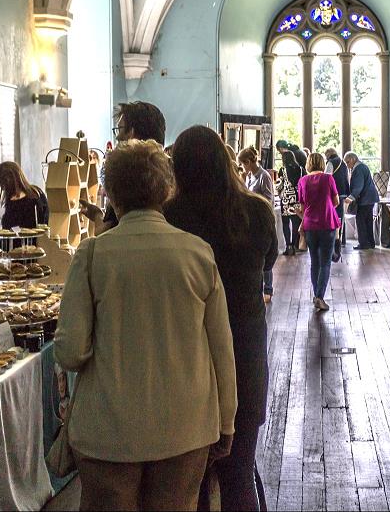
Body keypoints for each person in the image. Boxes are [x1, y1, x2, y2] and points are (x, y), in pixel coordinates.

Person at [55, 139, 237, 511]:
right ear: (165, 189)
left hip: (107, 427)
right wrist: (227, 419)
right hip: (186, 425)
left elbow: (71, 352)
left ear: (111, 193)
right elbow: (222, 348)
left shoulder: (93, 255)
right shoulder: (197, 253)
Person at [164, 126, 277, 510]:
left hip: (189, 351)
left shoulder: (169, 216)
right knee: (239, 471)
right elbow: (269, 261)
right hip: (244, 347)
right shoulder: (256, 211)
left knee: (189, 478)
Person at [80, 101, 166, 236]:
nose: (118, 137)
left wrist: (97, 217)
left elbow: (107, 234)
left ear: (131, 133)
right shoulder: (167, 179)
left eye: (119, 129)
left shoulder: (124, 179)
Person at [298, 152, 341, 311]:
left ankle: (317, 295)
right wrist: (326, 206)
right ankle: (319, 296)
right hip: (327, 222)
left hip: (310, 225)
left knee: (314, 261)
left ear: (308, 164)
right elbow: (336, 201)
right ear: (323, 163)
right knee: (325, 262)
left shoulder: (302, 181)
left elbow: (302, 207)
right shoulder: (328, 178)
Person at [237, 146, 276, 304]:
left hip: (261, 219)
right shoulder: (249, 176)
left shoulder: (264, 176)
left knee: (265, 254)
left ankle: (268, 288)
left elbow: (269, 199)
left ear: (248, 161)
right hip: (250, 220)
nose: (243, 167)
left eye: (243, 164)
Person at [0, 161, 49, 229]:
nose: (1, 187)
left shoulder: (37, 194)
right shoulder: (9, 201)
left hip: (34, 239)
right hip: (12, 239)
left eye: (2, 182)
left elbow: (45, 222)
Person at [343, 151, 380, 250]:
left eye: (347, 162)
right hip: (370, 198)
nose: (347, 165)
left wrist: (350, 198)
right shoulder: (363, 166)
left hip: (365, 199)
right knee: (368, 221)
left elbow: (358, 186)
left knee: (361, 221)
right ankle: (370, 243)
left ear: (352, 159)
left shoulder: (358, 169)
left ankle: (363, 244)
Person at [324, 148, 349, 261]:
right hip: (343, 192)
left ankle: (334, 240)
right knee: (340, 217)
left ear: (328, 155)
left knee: (332, 217)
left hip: (334, 194)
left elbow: (327, 177)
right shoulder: (343, 162)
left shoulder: (331, 162)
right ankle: (341, 239)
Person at [278, 150, 305, 256]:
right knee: (295, 223)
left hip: (286, 198)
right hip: (297, 197)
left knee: (285, 223)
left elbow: (279, 185)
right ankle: (294, 245)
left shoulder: (282, 170)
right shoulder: (301, 169)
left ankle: (288, 246)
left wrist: (280, 192)